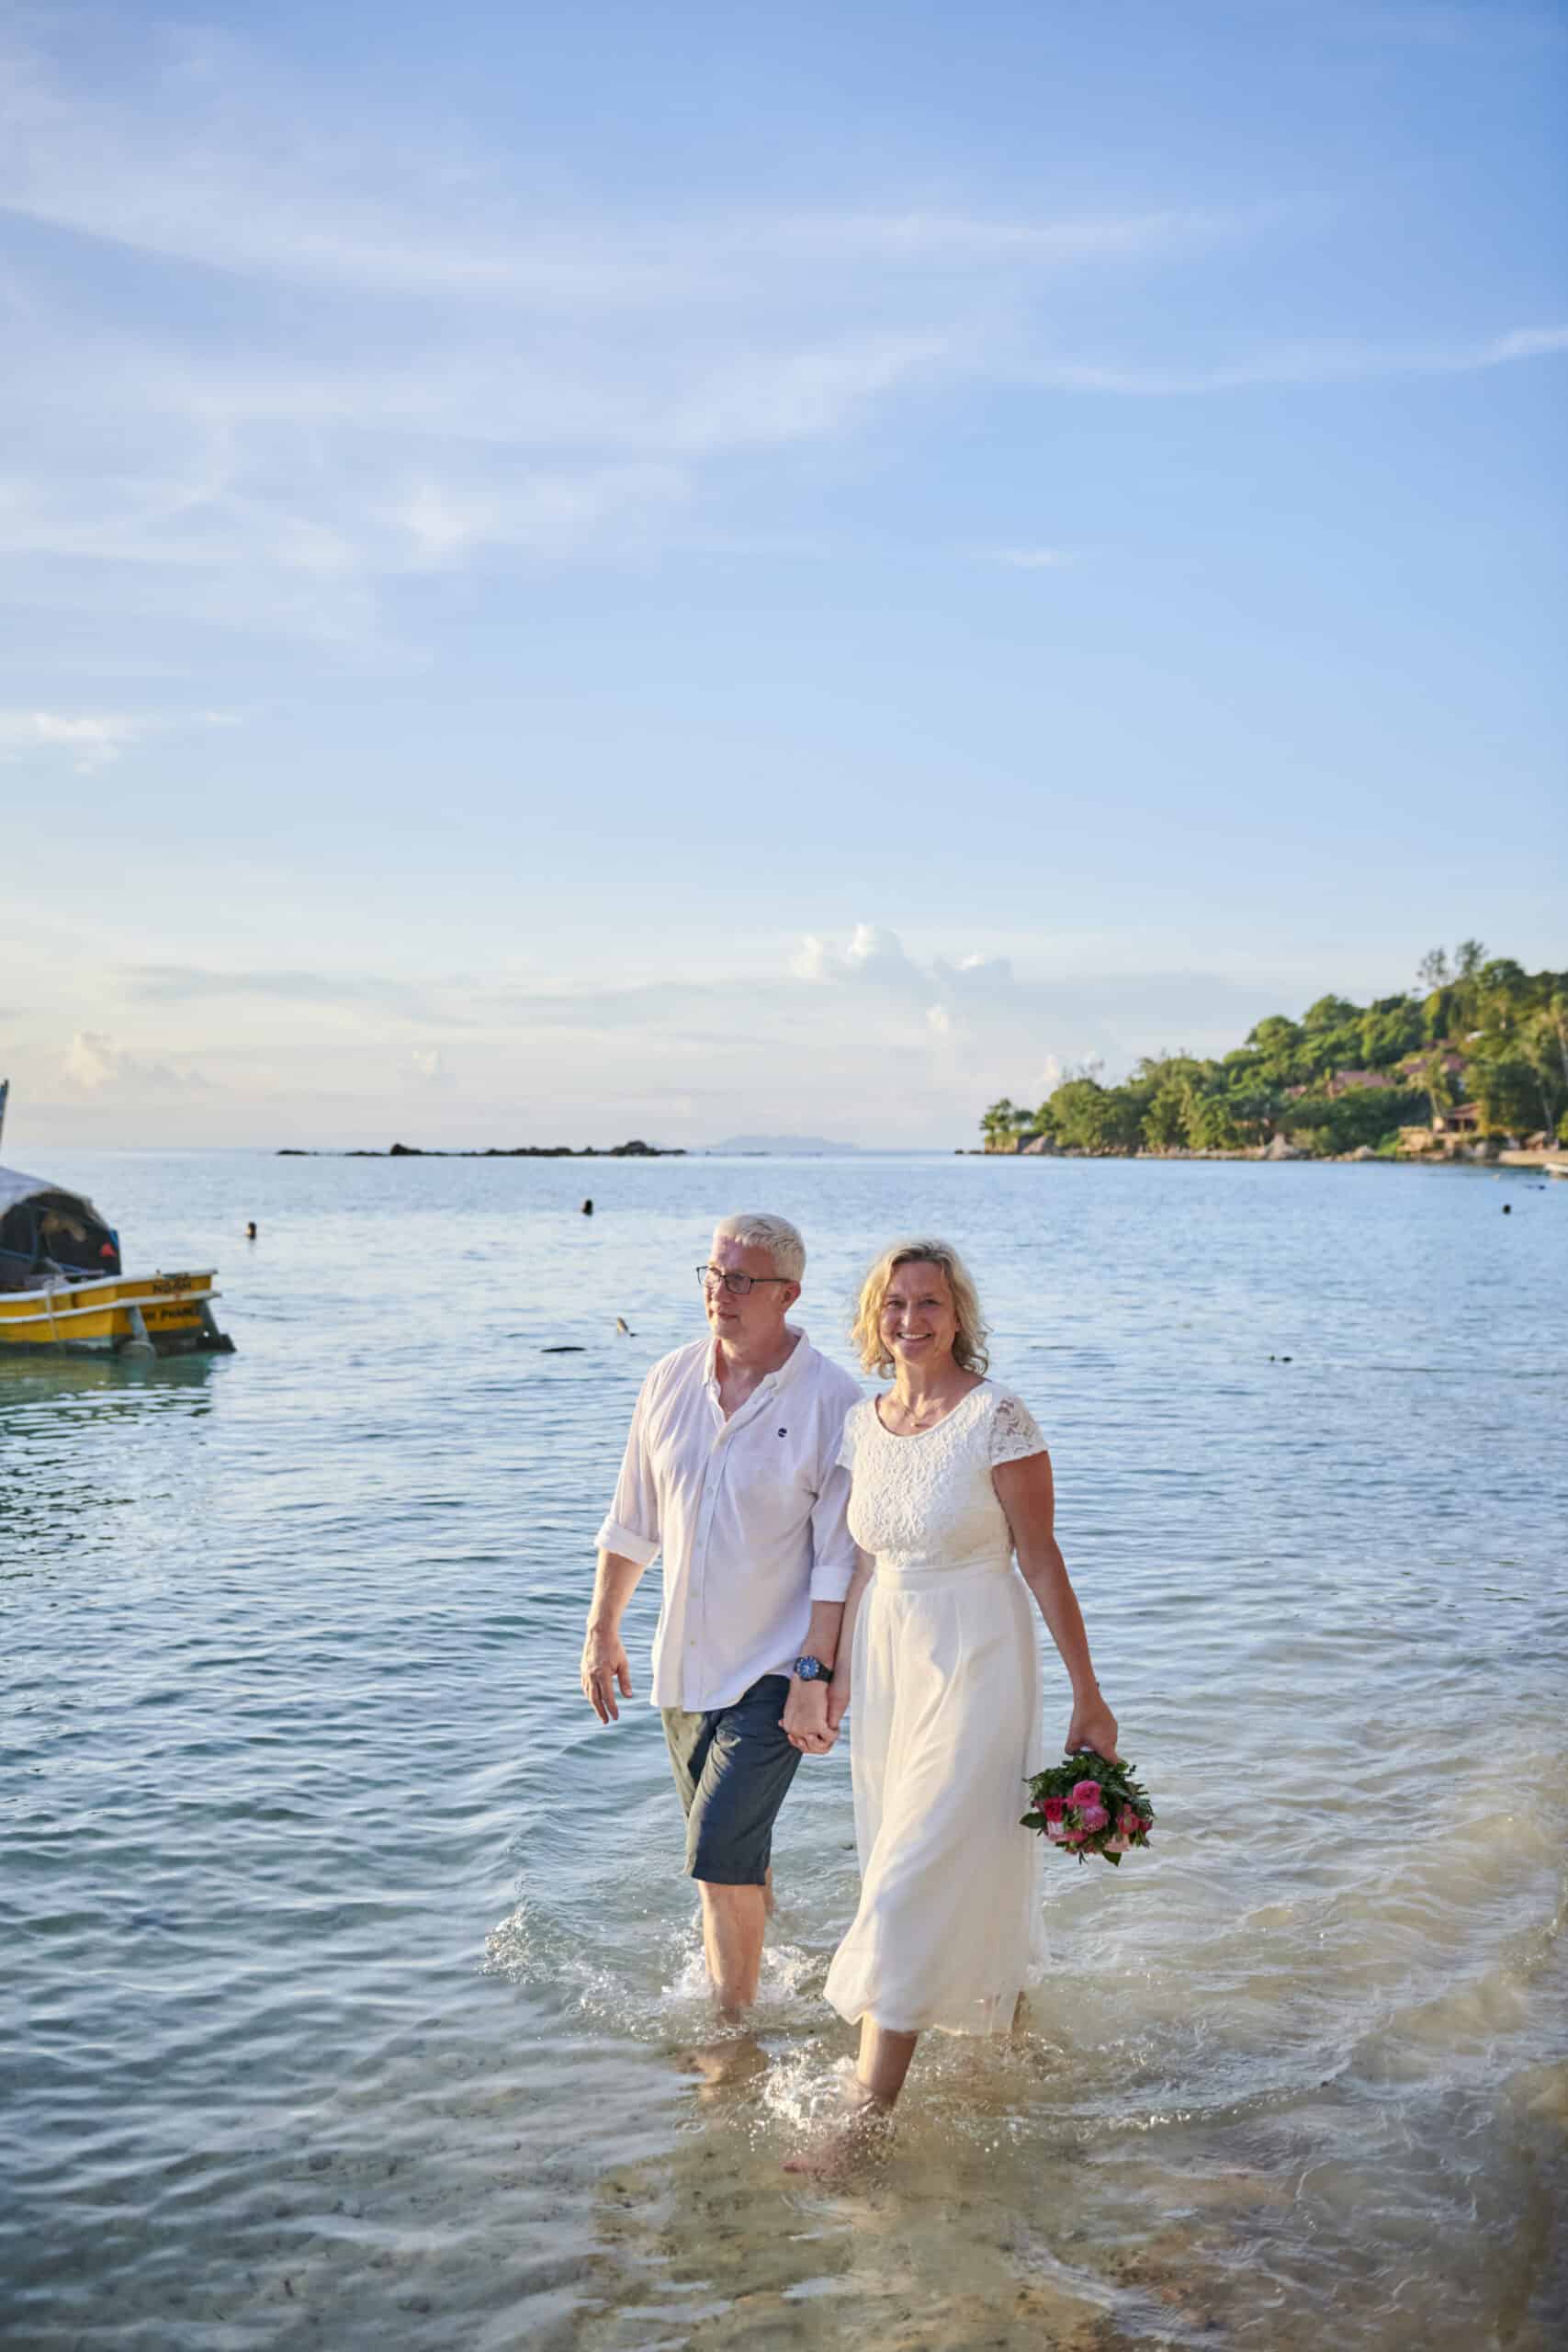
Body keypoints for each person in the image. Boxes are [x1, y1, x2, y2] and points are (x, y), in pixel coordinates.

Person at [786, 1238, 1119, 2173]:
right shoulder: (862, 1422)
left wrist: (1090, 1694)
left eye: (929, 1302)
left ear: (959, 1312)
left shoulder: (997, 1417)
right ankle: (1009, 2038)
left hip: (979, 1653)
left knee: (909, 1876)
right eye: (894, 1304)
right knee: (927, 1856)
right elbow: (854, 1563)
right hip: (893, 1659)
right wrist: (831, 1673)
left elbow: (1043, 1561)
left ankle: (863, 2116)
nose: (911, 1320)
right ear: (872, 1317)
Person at [581, 1213, 862, 2018]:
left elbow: (839, 1560)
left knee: (714, 1861)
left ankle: (729, 2034)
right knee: (738, 1857)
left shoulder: (832, 1402)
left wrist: (815, 1675)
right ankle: (774, 1970)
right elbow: (633, 1520)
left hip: (775, 1670)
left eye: (742, 1280)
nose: (721, 1293)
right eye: (712, 1273)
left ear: (788, 1295)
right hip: (683, 1670)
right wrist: (602, 1629)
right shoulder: (668, 1379)